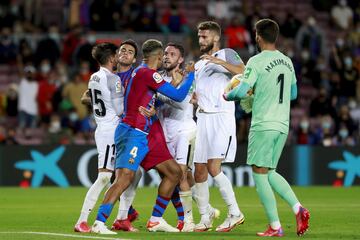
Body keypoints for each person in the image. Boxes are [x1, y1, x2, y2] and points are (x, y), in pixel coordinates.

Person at [91, 39, 195, 234]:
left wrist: (152, 108)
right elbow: (179, 96)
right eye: (163, 54)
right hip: (132, 132)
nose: (164, 57)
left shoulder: (139, 72)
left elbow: (151, 97)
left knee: (174, 172)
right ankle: (99, 222)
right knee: (124, 179)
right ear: (157, 56)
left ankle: (155, 220)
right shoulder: (148, 73)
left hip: (144, 131)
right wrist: (190, 75)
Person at [224, 19, 310, 237]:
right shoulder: (287, 62)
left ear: (258, 36)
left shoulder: (255, 61)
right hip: (282, 125)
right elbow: (293, 95)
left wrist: (227, 95)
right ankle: (298, 208)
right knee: (270, 171)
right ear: (277, 36)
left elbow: (242, 91)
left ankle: (275, 226)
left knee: (259, 174)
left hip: (263, 124)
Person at [75, 40, 144, 233]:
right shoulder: (113, 79)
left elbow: (88, 98)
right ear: (112, 58)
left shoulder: (94, 77)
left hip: (103, 127)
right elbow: (121, 109)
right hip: (110, 131)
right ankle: (82, 220)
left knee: (134, 172)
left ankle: (123, 216)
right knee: (105, 177)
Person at [192, 21, 245, 232]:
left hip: (221, 116)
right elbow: (201, 90)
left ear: (215, 38)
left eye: (204, 36)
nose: (201, 40)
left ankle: (235, 212)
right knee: (199, 171)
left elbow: (243, 70)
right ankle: (205, 217)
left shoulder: (227, 53)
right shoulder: (198, 64)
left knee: (214, 167)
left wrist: (217, 61)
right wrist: (195, 98)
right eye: (199, 36)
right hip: (203, 117)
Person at [157, 42, 196, 232]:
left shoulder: (188, 78)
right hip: (165, 134)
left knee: (179, 176)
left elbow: (180, 103)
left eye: (172, 54)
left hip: (184, 132)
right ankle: (202, 209)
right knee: (174, 178)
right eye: (165, 53)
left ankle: (189, 220)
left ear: (180, 59)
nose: (166, 56)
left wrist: (163, 93)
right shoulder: (158, 77)